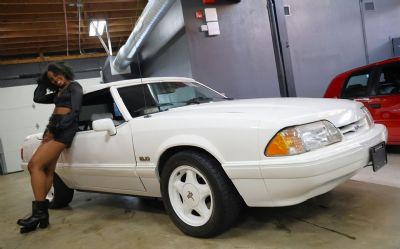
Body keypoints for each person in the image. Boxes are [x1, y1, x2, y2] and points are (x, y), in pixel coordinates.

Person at [17, 62, 83, 233]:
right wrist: (42, 81)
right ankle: (42, 216)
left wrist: (55, 130)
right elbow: (37, 98)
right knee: (47, 170)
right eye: (52, 80)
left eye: (57, 76)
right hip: (53, 128)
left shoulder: (74, 87)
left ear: (63, 71)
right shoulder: (57, 92)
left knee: (34, 165)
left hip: (63, 130)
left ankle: (39, 215)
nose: (56, 81)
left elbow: (75, 111)